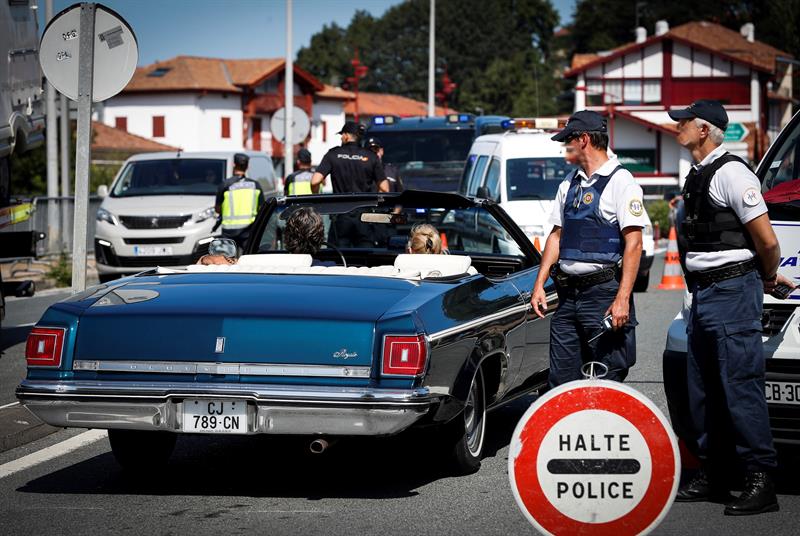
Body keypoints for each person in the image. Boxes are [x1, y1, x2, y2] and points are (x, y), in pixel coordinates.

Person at [668, 99, 795, 515]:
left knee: (741, 388)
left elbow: (768, 241)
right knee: (702, 390)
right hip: (705, 295)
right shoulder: (699, 174)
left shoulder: (733, 174)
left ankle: (761, 480)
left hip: (732, 292)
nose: (677, 127)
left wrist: (766, 278)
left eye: (683, 122)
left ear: (704, 129)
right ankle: (716, 471)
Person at [530, 110, 646, 387]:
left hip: (602, 295)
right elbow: (556, 236)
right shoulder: (569, 183)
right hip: (568, 296)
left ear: (584, 140)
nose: (565, 146)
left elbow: (634, 244)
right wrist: (539, 284)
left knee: (608, 377)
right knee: (560, 381)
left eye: (569, 139)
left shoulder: (622, 182)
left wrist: (622, 299)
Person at [311, 121, 388, 247]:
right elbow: (385, 188)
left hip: (341, 215)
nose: (341, 137)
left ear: (346, 136)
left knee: (338, 258)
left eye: (342, 135)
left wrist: (316, 197)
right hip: (365, 216)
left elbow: (315, 181)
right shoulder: (371, 157)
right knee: (365, 259)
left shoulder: (333, 154)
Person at [215, 153, 264, 250]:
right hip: (249, 231)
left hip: (228, 232)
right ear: (247, 166)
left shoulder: (225, 185)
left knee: (226, 261)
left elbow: (218, 209)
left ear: (234, 165)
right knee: (249, 261)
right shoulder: (255, 185)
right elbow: (261, 208)